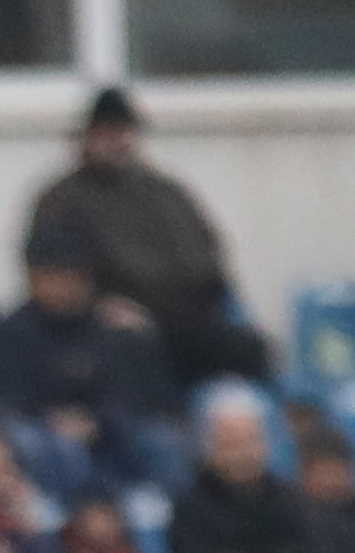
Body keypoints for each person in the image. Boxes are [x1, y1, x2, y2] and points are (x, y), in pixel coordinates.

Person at [21, 87, 250, 381]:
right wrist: (97, 305)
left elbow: (208, 251)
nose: (117, 141)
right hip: (114, 325)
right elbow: (50, 269)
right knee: (135, 352)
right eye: (107, 132)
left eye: (123, 131)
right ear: (88, 137)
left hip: (192, 316)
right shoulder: (61, 199)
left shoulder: (167, 192)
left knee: (248, 350)